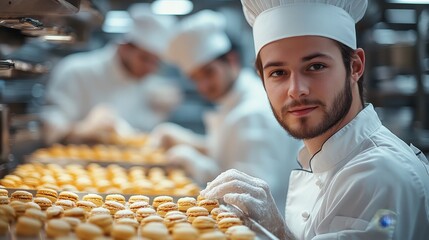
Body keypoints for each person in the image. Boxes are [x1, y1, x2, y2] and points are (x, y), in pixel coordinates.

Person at [201, 0, 429, 239]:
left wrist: (278, 232)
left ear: (355, 66)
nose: (296, 90)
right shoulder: (323, 158)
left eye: (315, 66)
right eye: (278, 73)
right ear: (262, 79)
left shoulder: (380, 176)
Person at [151, 10, 302, 213]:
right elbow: (231, 155)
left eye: (208, 72)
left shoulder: (252, 113)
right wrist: (192, 142)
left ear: (231, 60)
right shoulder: (235, 102)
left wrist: (194, 162)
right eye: (195, 78)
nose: (203, 85)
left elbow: (249, 196)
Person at [41, 3, 182, 144]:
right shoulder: (76, 71)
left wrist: (161, 112)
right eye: (145, 59)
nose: (150, 69)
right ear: (125, 48)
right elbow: (50, 130)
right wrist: (82, 129)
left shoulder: (147, 84)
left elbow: (143, 134)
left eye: (156, 62)